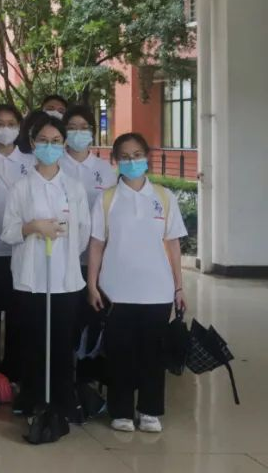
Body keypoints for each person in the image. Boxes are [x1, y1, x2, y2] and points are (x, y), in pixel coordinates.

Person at [87, 133, 186, 433]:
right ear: (115, 161)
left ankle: (150, 411)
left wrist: (179, 287)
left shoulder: (164, 197)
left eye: (138, 155)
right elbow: (96, 244)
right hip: (116, 291)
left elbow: (173, 244)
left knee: (153, 355)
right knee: (120, 354)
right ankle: (121, 411)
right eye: (125, 156)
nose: (132, 161)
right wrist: (92, 284)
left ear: (147, 157)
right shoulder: (107, 199)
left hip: (157, 291)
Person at [1, 115, 90, 420]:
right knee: (33, 341)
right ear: (33, 143)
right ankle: (32, 398)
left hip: (65, 279)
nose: (49, 147)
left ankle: (62, 401)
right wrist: (32, 227)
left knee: (62, 342)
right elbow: (8, 232)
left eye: (55, 141)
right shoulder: (21, 187)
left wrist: (65, 250)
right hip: (31, 278)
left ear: (64, 145)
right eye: (43, 141)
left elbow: (83, 231)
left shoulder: (74, 188)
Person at [0, 104, 34, 378]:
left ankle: (13, 372)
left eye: (11, 123)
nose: (5, 128)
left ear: (19, 127)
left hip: (21, 249)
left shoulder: (31, 162)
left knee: (18, 315)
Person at [61, 105, 117, 211]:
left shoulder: (105, 168)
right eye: (72, 128)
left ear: (92, 132)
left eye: (84, 128)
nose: (78, 132)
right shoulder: (55, 165)